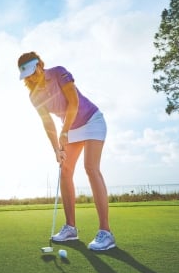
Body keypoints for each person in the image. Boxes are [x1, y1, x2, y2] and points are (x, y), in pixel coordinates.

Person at [16, 51, 116, 251]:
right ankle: (71, 228)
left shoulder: (59, 72)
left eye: (31, 71)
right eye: (25, 74)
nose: (30, 77)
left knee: (90, 168)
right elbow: (47, 123)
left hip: (91, 120)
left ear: (39, 65)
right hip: (69, 128)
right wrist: (56, 149)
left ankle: (106, 232)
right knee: (65, 171)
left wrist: (65, 131)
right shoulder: (34, 95)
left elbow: (74, 102)